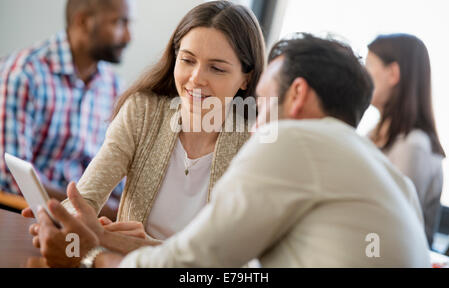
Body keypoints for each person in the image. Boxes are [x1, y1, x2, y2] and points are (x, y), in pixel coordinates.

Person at [34, 33, 430, 268]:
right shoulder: (390, 178)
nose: (256, 124)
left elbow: (198, 261)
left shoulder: (292, 140)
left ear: (297, 94)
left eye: (262, 100)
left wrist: (90, 256)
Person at [25, 0, 266, 253]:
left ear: (245, 78)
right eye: (187, 60)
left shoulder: (255, 143)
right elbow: (86, 196)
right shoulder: (143, 111)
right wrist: (64, 220)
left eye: (216, 68)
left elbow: (231, 255)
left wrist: (133, 244)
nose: (196, 78)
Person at [0, 0, 132, 219]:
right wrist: (91, 206)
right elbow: (11, 176)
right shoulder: (24, 74)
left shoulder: (113, 85)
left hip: (85, 216)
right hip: (26, 214)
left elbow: (114, 171)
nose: (128, 36)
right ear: (83, 21)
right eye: (118, 22)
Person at [365, 33, 445, 246]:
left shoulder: (413, 145)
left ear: (393, 74)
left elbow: (395, 222)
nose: (363, 76)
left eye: (369, 66)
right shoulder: (374, 133)